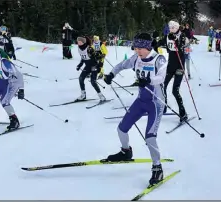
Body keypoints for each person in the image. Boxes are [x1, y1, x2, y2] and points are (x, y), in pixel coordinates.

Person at [103, 32, 168, 186]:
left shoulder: (159, 59)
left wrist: (149, 80)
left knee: (150, 137)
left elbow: (161, 77)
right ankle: (126, 152)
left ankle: (157, 168)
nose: (137, 51)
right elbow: (120, 65)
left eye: (139, 48)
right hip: (141, 101)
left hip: (156, 103)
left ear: (147, 47)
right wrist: (111, 74)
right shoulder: (136, 59)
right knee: (121, 129)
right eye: (135, 48)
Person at [158, 20, 188, 122]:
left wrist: (175, 40)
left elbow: (181, 47)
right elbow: (160, 43)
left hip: (179, 66)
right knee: (162, 86)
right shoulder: (167, 36)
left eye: (172, 28)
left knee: (175, 90)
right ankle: (164, 106)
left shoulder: (182, 36)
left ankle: (183, 113)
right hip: (170, 66)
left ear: (177, 27)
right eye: (169, 28)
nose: (171, 29)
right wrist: (151, 44)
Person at [75, 36, 106, 102]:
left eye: (80, 41)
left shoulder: (89, 49)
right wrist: (79, 65)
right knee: (81, 78)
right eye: (78, 41)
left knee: (93, 81)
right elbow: (83, 58)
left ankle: (101, 97)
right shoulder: (79, 48)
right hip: (87, 66)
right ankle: (83, 95)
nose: (78, 43)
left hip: (94, 66)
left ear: (83, 42)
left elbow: (97, 57)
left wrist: (100, 65)